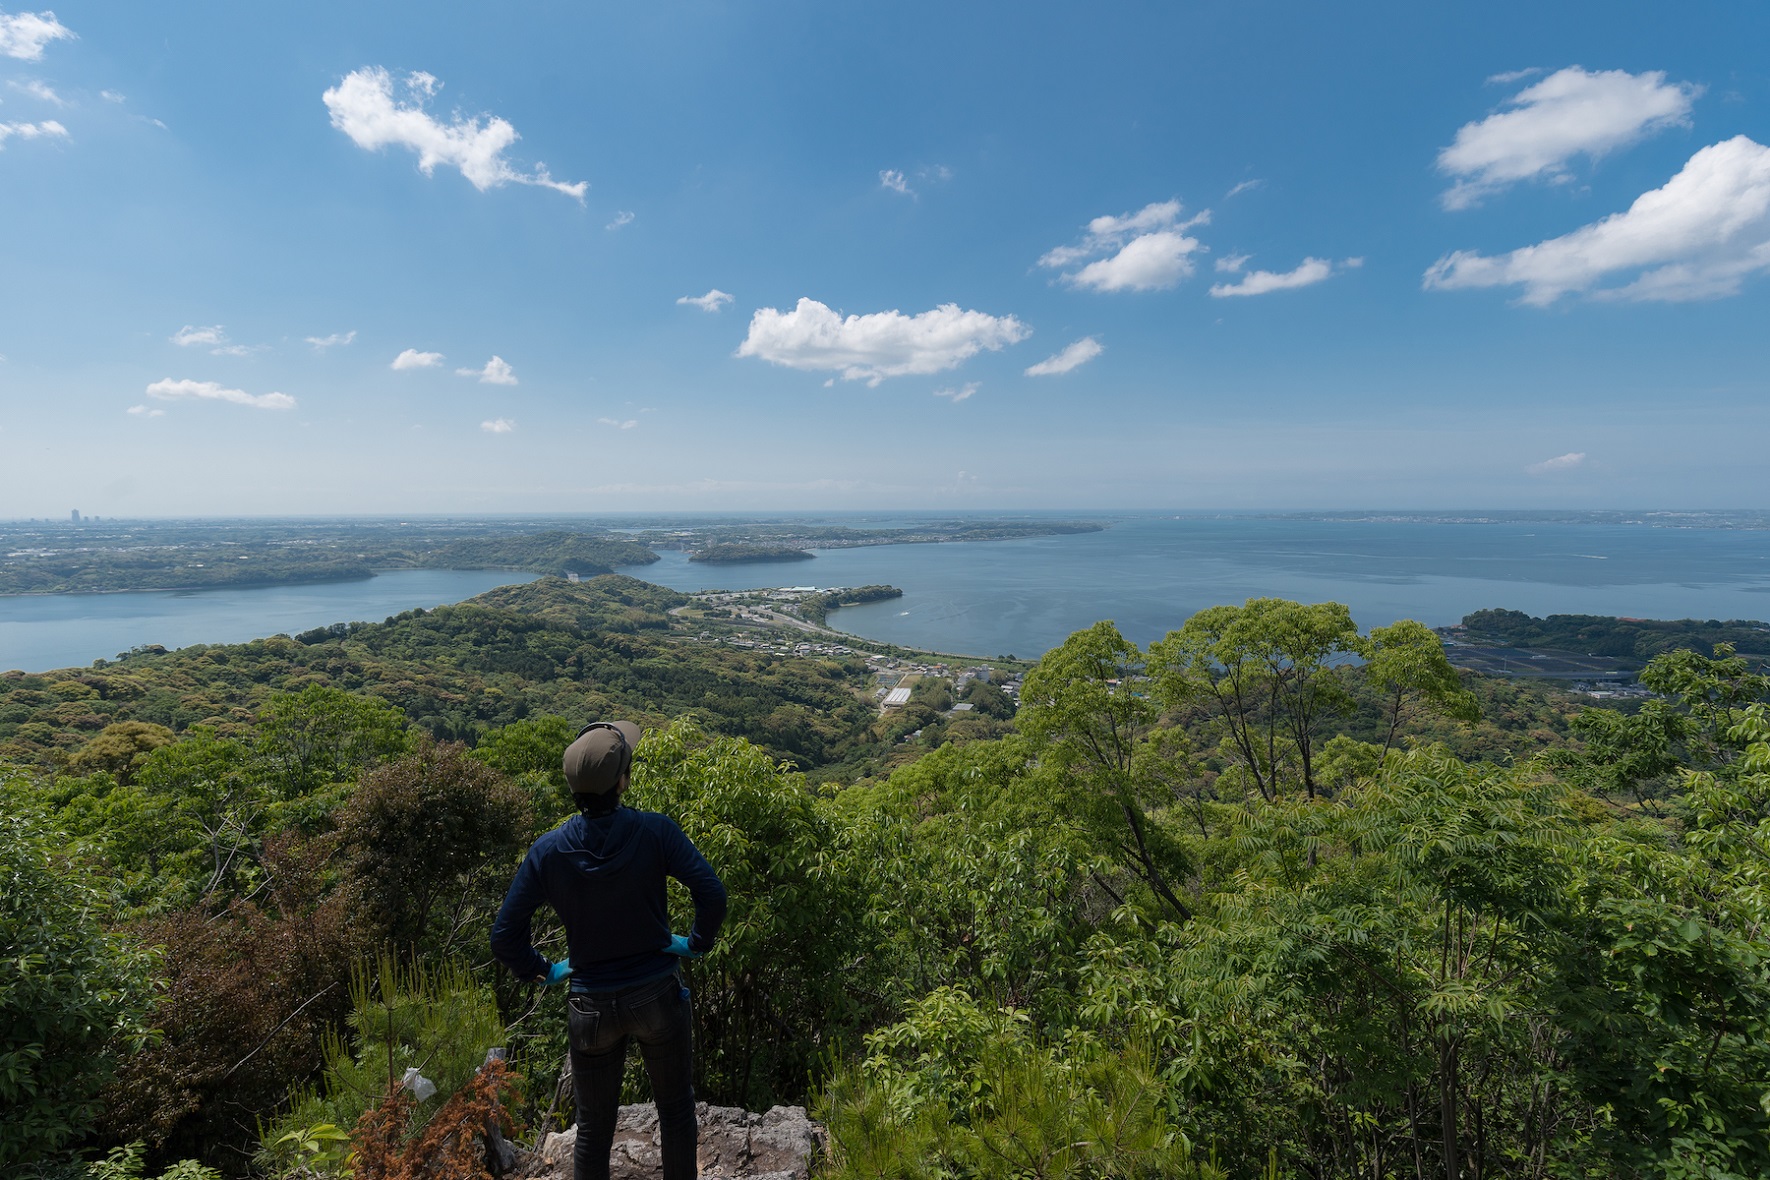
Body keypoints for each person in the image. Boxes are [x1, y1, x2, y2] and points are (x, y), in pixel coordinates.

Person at [491, 720, 727, 1180]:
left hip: (590, 1005)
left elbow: (504, 936)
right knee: (676, 1112)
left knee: (594, 1129)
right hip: (656, 994)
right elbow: (712, 894)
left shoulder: (549, 851)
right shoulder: (655, 831)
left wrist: (546, 970)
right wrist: (695, 943)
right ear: (622, 781)